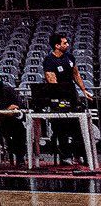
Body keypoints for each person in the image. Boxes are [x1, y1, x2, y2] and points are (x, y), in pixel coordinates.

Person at [43, 33, 92, 164]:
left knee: (78, 126)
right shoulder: (49, 60)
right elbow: (51, 80)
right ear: (57, 46)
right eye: (64, 43)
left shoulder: (69, 57)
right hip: (58, 98)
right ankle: (66, 156)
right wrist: (60, 96)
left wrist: (83, 90)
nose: (68, 45)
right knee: (61, 128)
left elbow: (76, 74)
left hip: (72, 95)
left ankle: (81, 155)